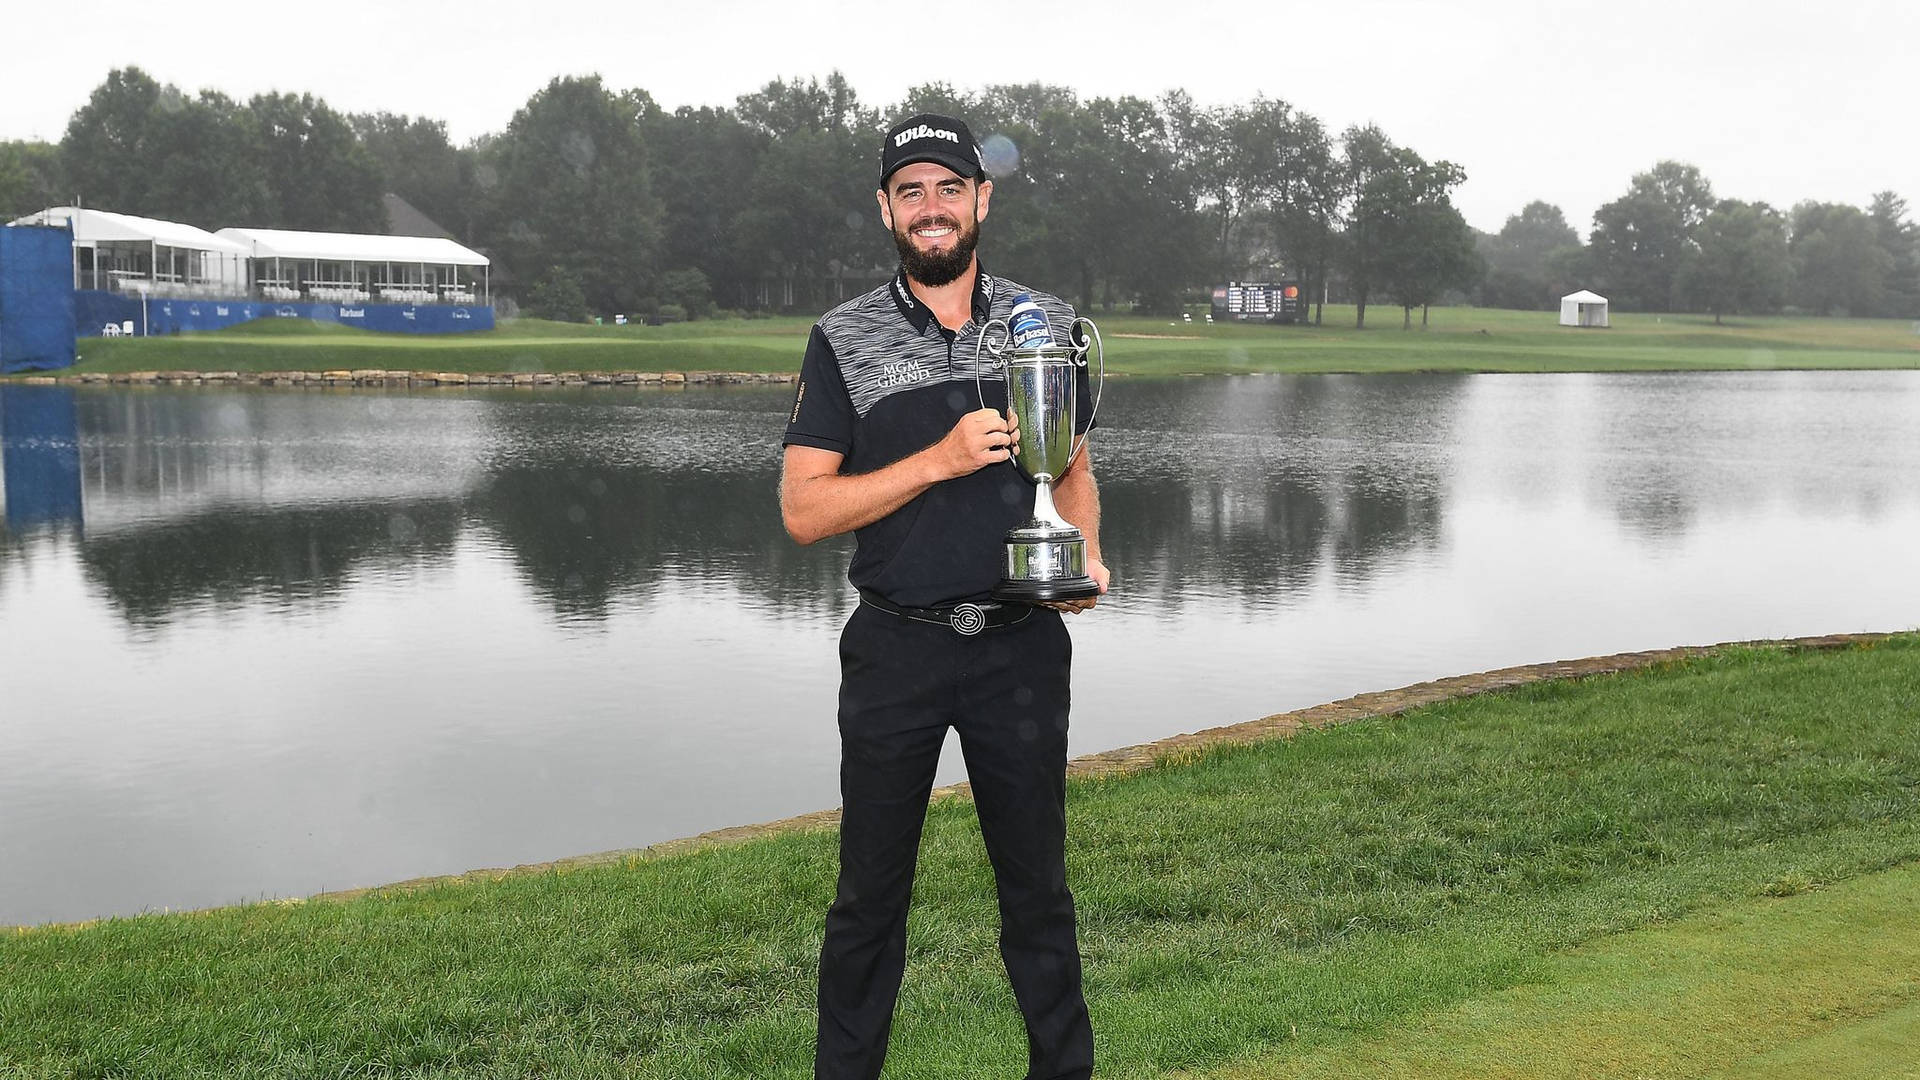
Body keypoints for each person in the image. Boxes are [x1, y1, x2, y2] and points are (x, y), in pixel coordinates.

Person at [780, 112, 1107, 1080]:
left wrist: (1085, 555)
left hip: (1021, 650)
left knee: (1038, 893)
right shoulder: (843, 338)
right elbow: (804, 511)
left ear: (982, 200)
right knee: (869, 898)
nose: (932, 208)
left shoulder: (1042, 321)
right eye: (911, 190)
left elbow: (1075, 464)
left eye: (948, 188)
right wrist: (937, 459)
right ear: (886, 208)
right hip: (897, 651)